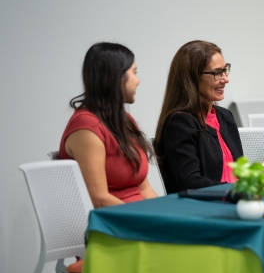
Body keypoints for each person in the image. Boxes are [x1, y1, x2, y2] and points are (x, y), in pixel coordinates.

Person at [59, 42, 158, 208]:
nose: (138, 80)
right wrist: (148, 221)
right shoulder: (86, 127)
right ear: (115, 77)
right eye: (134, 72)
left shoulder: (125, 120)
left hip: (138, 219)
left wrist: (166, 216)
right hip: (112, 225)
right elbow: (99, 200)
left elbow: (145, 189)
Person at [154, 40, 243, 194]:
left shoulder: (225, 116)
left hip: (234, 201)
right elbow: (191, 183)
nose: (225, 79)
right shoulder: (179, 123)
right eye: (216, 73)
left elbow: (239, 171)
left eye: (225, 70)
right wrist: (235, 190)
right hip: (204, 209)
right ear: (192, 78)